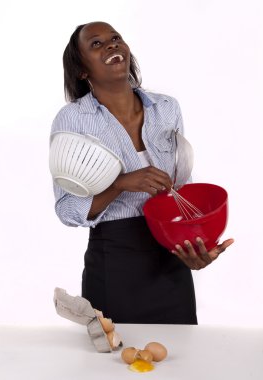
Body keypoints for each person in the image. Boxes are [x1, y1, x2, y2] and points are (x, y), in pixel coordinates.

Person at [50, 21, 234, 324]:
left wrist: (197, 246)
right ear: (82, 70)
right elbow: (67, 210)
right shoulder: (73, 119)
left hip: (170, 257)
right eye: (96, 44)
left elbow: (182, 190)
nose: (111, 45)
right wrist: (120, 184)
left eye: (115, 38)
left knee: (180, 362)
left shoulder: (166, 108)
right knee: (116, 364)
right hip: (114, 262)